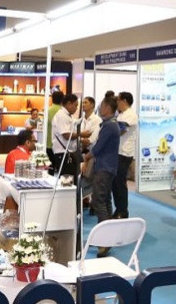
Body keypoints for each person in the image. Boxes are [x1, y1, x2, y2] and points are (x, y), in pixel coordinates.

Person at [81, 96, 120, 257]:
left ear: (108, 108)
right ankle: (106, 236)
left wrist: (87, 157)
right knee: (105, 201)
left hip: (104, 168)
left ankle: (105, 241)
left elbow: (98, 148)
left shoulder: (109, 126)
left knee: (99, 201)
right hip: (109, 167)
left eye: (102, 106)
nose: (99, 108)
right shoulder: (112, 124)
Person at [113, 91, 137, 219]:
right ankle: (118, 209)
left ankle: (123, 211)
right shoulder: (121, 114)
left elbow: (120, 131)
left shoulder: (131, 115)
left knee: (120, 183)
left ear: (124, 101)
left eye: (118, 100)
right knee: (115, 182)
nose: (116, 102)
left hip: (124, 153)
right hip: (117, 151)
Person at [51, 93, 80, 178]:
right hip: (63, 153)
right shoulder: (62, 115)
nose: (76, 108)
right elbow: (66, 135)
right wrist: (81, 134)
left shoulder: (67, 116)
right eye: (75, 105)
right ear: (69, 103)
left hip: (67, 152)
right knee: (67, 180)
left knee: (70, 179)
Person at [45, 89, 64, 171]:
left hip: (48, 142)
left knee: (50, 167)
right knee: (61, 168)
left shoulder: (47, 111)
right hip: (60, 144)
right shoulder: (63, 112)